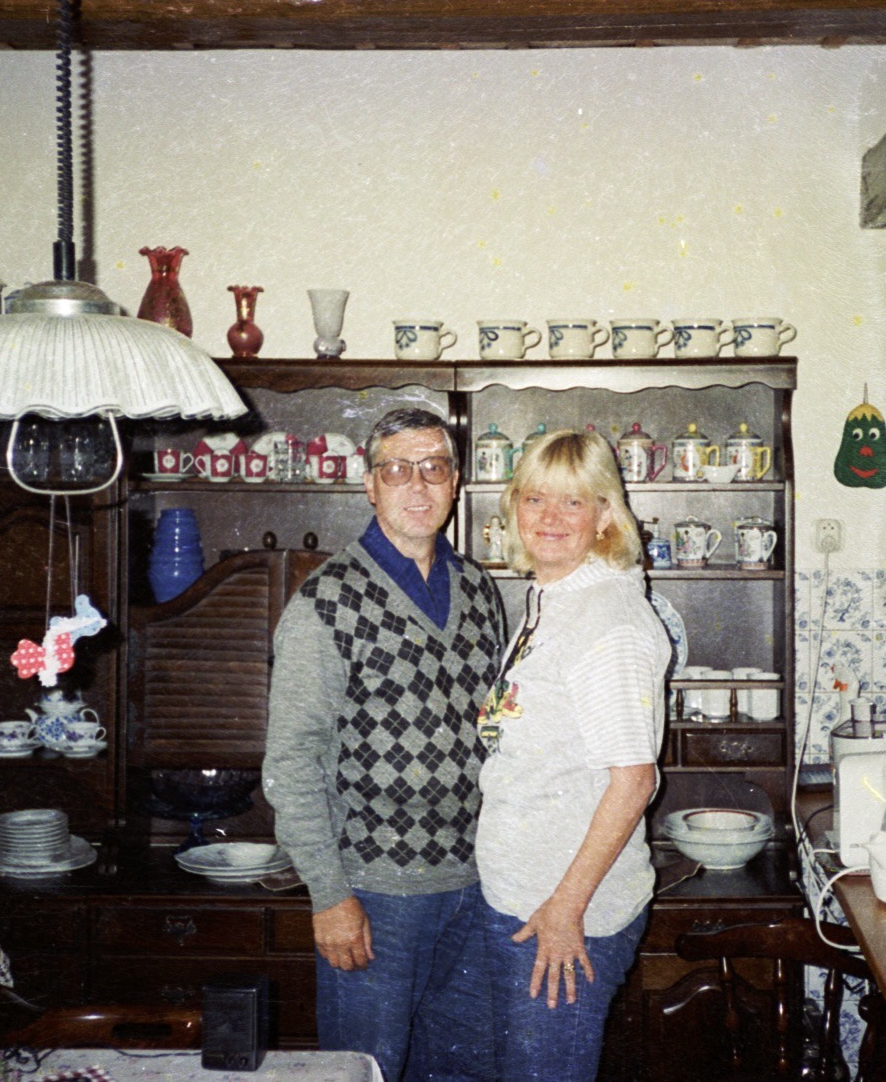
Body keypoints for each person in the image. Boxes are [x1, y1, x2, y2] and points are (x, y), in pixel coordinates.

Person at [263, 407, 507, 1082]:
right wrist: (329, 896)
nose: (418, 485)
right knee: (364, 1072)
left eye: (434, 467)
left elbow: (494, 728)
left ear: (456, 481)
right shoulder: (326, 603)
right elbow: (291, 762)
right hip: (373, 898)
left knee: (467, 1072)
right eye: (397, 469)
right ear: (369, 485)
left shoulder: (481, 592)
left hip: (479, 887)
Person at [475, 428, 670, 1081]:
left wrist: (565, 910)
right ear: (513, 509)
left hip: (562, 915)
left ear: (607, 515)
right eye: (535, 500)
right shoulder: (554, 598)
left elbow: (634, 782)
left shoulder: (607, 622)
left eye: (573, 503)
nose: (549, 519)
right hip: (525, 896)